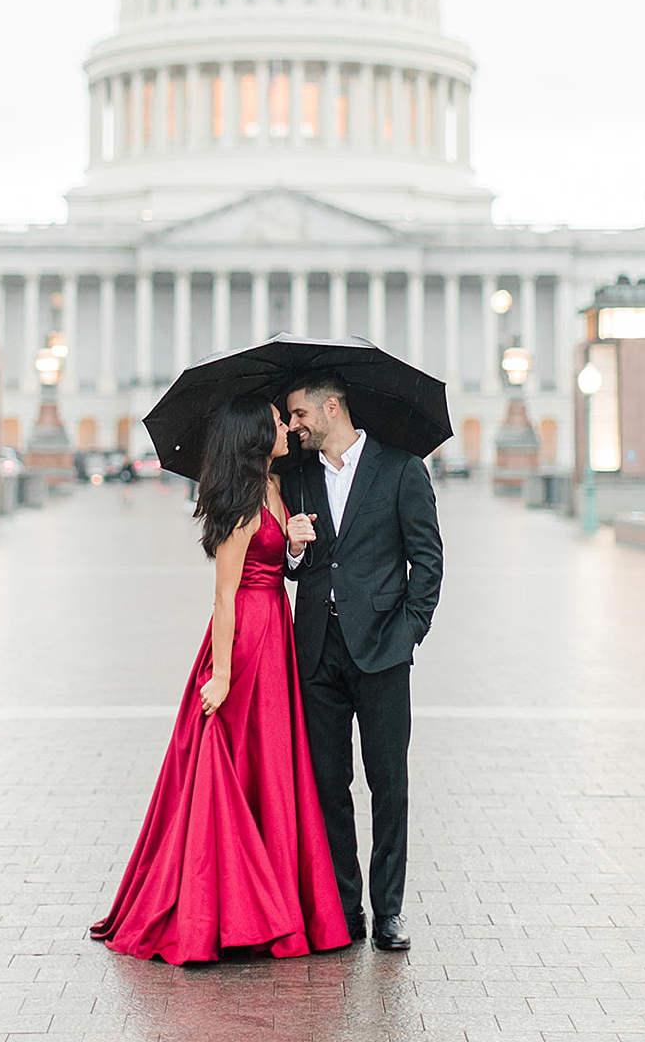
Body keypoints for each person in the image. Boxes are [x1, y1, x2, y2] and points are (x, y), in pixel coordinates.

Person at [89, 395, 349, 964]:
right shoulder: (243, 505)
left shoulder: (276, 490)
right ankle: (230, 907)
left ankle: (271, 898)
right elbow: (225, 595)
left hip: (275, 626)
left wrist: (296, 544)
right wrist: (224, 674)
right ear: (258, 436)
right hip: (250, 636)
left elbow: (277, 566)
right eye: (280, 422)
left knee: (273, 761)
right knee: (237, 759)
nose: (288, 427)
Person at [284, 375, 443, 952]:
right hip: (316, 650)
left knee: (388, 783)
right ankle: (345, 910)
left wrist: (409, 633)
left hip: (381, 651)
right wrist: (293, 548)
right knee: (329, 785)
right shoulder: (295, 477)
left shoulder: (401, 469)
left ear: (332, 407)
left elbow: (427, 561)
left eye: (300, 414)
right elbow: (293, 566)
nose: (295, 425)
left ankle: (390, 911)